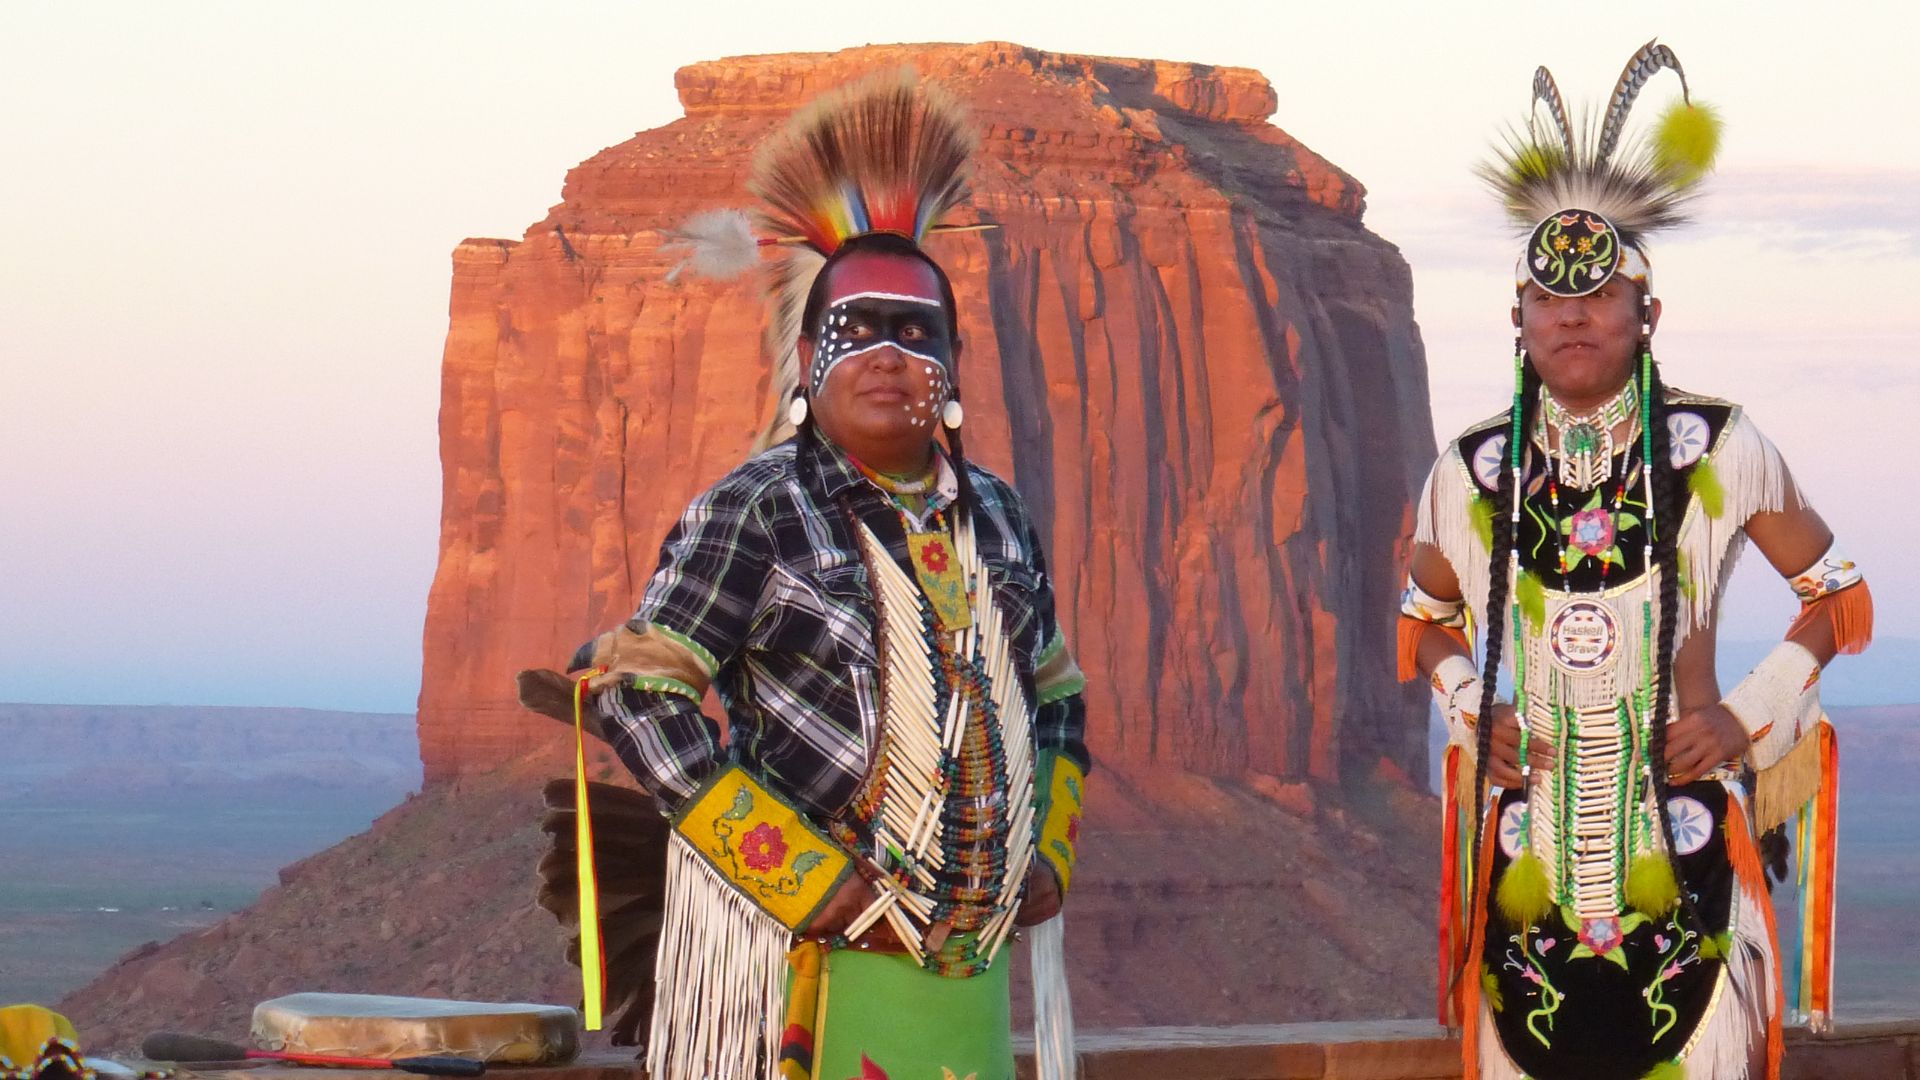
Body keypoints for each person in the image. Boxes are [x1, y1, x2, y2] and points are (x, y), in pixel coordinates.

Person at [534, 72, 1089, 1080]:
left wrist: (1045, 854)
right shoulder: (761, 507)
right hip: (797, 969)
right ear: (804, 355)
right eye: (856, 330)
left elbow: (1057, 701)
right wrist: (798, 874)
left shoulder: (997, 518)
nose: (888, 355)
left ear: (955, 361)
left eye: (916, 334)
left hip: (969, 979)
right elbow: (633, 691)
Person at [1399, 43, 1872, 1080]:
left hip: (1685, 842)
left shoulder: (1720, 445)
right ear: (1518, 317)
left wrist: (1743, 717)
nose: (1572, 314)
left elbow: (1837, 597)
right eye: (1547, 297)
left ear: (1646, 313)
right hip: (1530, 869)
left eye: (1600, 293)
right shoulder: (1472, 468)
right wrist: (1475, 707)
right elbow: (1423, 619)